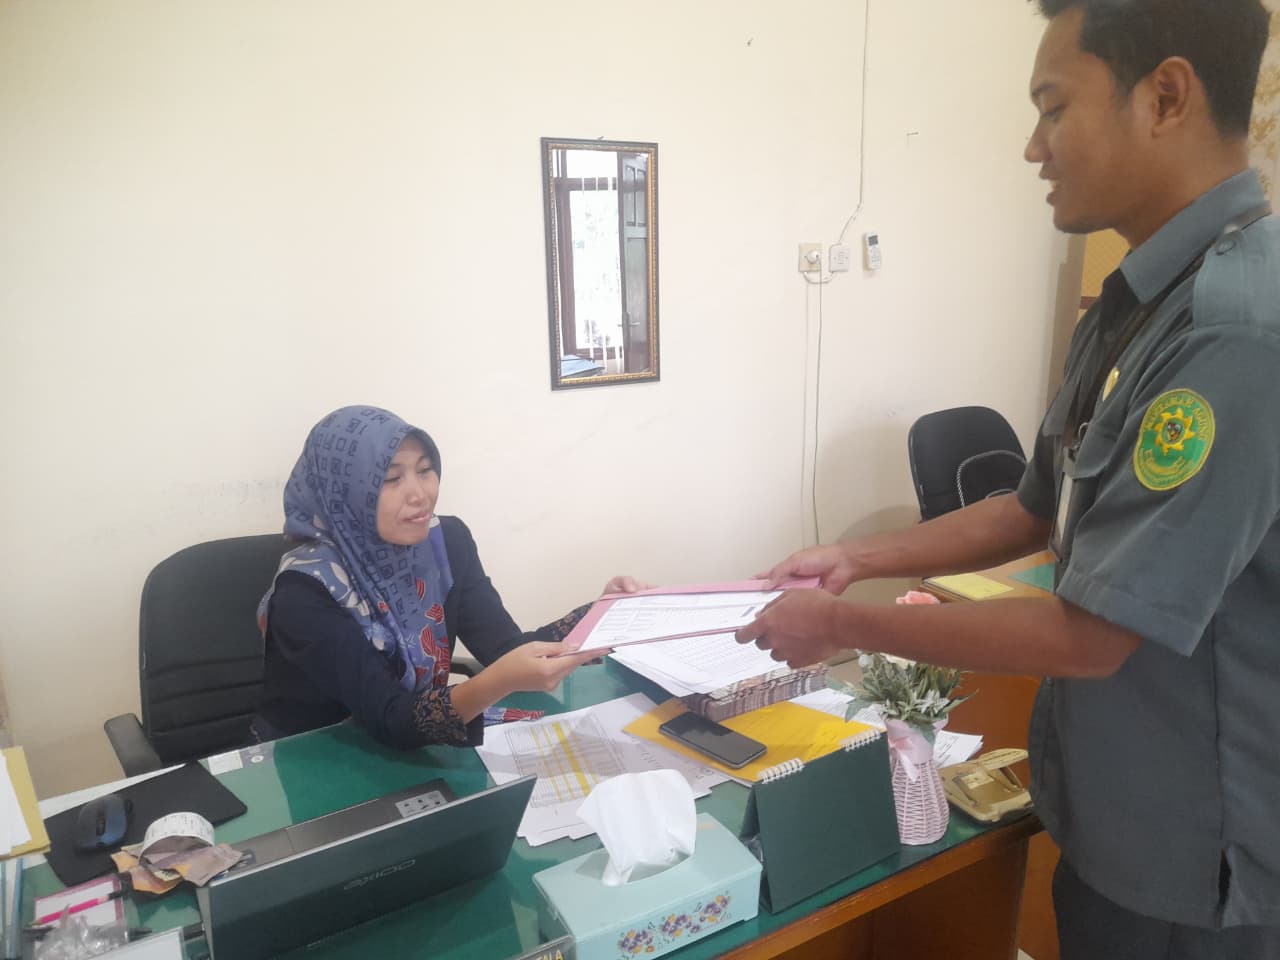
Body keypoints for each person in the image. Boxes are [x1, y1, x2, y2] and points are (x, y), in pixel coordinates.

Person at [736, 1, 1278, 956]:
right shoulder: (1133, 306)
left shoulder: (1232, 331)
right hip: (1112, 818)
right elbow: (1033, 508)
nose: (1034, 147)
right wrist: (855, 560)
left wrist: (844, 625)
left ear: (1165, 97)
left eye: (1054, 107)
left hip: (1195, 859)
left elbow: (1093, 635)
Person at [251, 405, 642, 750]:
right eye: (391, 479)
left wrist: (601, 613)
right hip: (321, 757)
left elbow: (505, 649)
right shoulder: (304, 591)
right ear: (344, 493)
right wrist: (498, 681)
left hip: (415, 742)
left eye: (425, 471)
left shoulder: (446, 542)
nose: (420, 494)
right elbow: (389, 716)